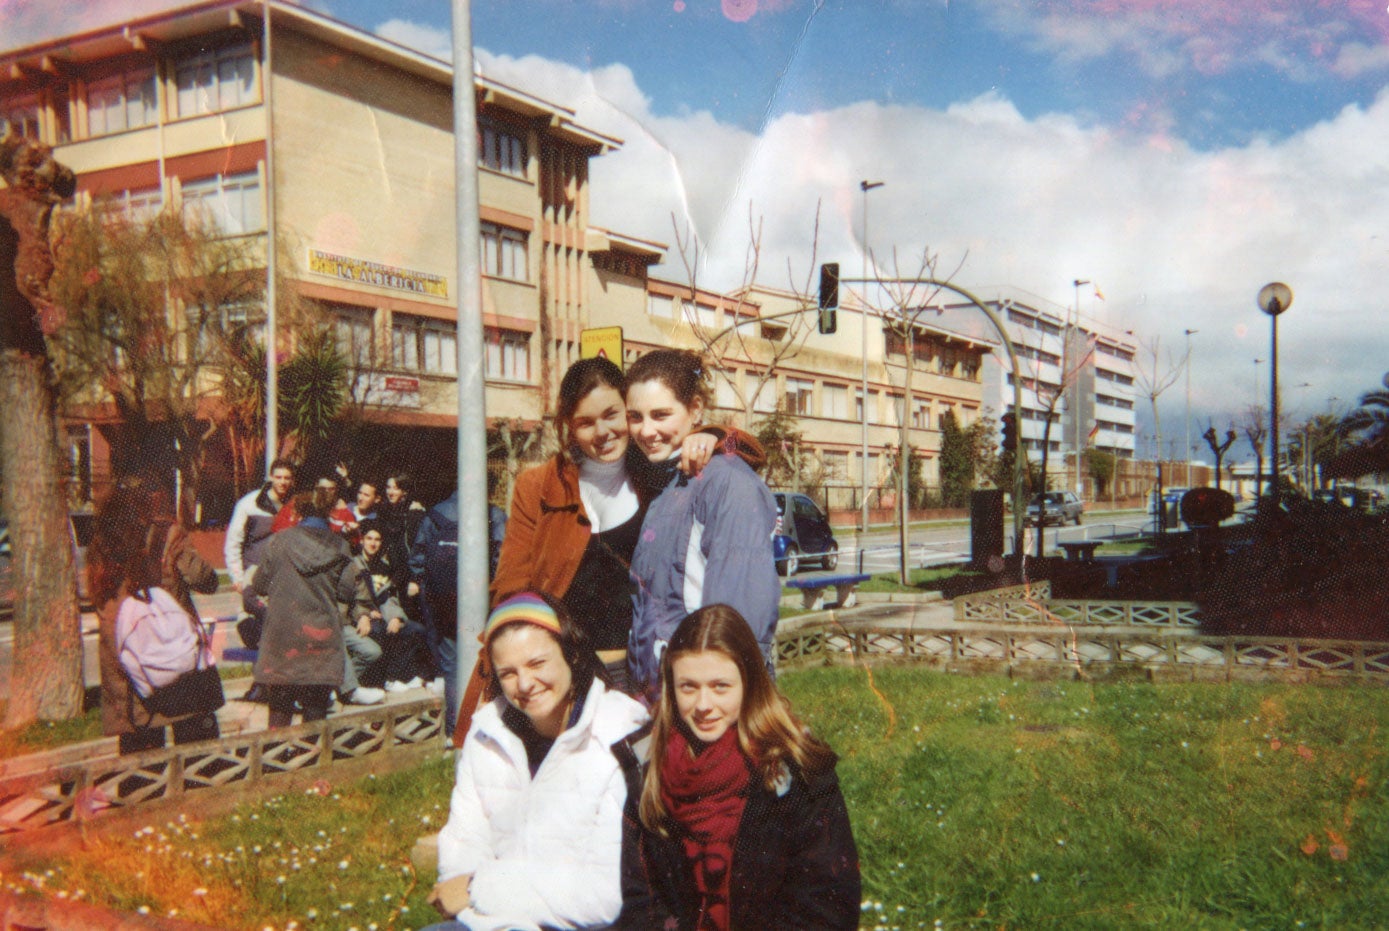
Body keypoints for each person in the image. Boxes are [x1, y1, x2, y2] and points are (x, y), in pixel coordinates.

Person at [489, 356, 734, 696]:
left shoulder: (656, 471)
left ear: (629, 412)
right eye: (586, 422)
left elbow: (745, 455)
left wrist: (717, 436)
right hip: (569, 679)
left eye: (612, 415)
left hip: (648, 674)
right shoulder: (539, 487)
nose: (603, 432)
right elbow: (511, 590)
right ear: (569, 427)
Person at [617, 605, 860, 930]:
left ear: (749, 683)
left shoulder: (797, 773)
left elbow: (828, 904)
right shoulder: (648, 769)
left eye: (720, 686)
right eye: (688, 686)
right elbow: (639, 899)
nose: (704, 705)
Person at [423, 592, 648, 931]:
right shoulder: (487, 733)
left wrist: (477, 887)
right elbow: (463, 843)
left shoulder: (617, 734)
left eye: (537, 663)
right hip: (491, 921)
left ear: (570, 653)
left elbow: (602, 897)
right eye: (508, 673)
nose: (525, 684)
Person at [623, 349, 781, 696]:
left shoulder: (726, 483)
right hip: (662, 696)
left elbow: (739, 625)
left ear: (695, 409)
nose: (646, 431)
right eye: (635, 416)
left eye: (661, 414)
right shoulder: (664, 478)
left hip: (705, 703)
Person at [90, 479, 221, 754]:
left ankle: (141, 788)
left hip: (124, 657)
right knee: (196, 741)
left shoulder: (102, 544)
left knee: (139, 745)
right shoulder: (168, 535)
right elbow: (204, 579)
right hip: (173, 648)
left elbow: (97, 597)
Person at [249, 480, 356, 728]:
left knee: (279, 707)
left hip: (282, 638)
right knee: (316, 708)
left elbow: (260, 585)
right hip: (321, 638)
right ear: (329, 511)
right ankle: (311, 756)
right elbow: (346, 591)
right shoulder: (341, 546)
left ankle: (276, 759)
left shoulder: (278, 542)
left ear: (298, 512)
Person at [223, 458, 295, 657]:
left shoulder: (295, 505)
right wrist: (237, 577)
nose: (282, 482)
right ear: (270, 477)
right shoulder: (249, 504)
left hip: (285, 578)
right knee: (260, 634)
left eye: (287, 478)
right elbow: (233, 543)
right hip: (255, 575)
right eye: (278, 477)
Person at [347, 520, 428, 692]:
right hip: (357, 618)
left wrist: (395, 617)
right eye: (369, 538)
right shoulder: (353, 565)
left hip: (382, 614)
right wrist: (367, 614)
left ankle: (397, 676)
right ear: (362, 541)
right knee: (379, 631)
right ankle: (383, 679)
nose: (373, 543)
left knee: (415, 630)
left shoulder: (383, 567)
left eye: (377, 539)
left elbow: (388, 597)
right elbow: (349, 599)